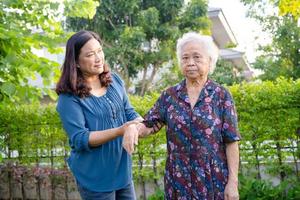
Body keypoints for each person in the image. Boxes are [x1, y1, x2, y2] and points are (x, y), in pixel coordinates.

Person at [123, 32, 241, 200]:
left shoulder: (221, 96)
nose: (190, 62)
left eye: (197, 57)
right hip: (178, 181)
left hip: (214, 180)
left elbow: (231, 141)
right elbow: (150, 124)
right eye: (185, 58)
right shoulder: (170, 96)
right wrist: (133, 128)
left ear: (210, 61)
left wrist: (233, 183)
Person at [56, 30, 141, 200]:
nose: (98, 58)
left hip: (122, 171)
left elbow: (130, 113)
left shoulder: (114, 81)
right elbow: (80, 139)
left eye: (100, 51)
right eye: (90, 54)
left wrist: (137, 124)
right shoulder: (69, 97)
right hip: (95, 177)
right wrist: (121, 130)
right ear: (77, 63)